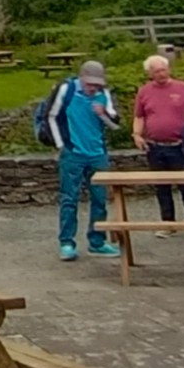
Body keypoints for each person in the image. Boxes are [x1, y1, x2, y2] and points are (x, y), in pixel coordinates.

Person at [44, 60, 122, 262]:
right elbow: (50, 116)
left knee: (99, 199)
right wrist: (61, 145)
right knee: (69, 198)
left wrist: (103, 113)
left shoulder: (103, 95)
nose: (93, 88)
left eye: (97, 85)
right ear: (82, 79)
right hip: (73, 153)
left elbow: (115, 124)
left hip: (97, 153)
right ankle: (67, 243)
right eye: (90, 84)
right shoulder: (66, 90)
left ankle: (97, 242)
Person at [132, 55, 184, 238]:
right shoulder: (144, 92)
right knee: (162, 187)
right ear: (150, 73)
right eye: (156, 71)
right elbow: (139, 116)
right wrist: (136, 134)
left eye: (163, 69)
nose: (161, 74)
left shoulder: (183, 88)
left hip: (180, 146)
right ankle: (167, 223)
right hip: (155, 147)